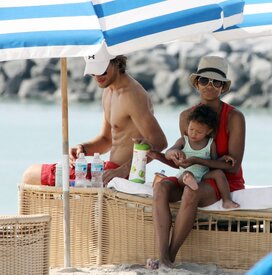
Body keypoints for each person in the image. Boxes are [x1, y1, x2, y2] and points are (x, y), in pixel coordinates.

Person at [147, 55, 245, 269]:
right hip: (192, 175)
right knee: (161, 188)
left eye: (216, 82)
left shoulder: (234, 117)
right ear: (196, 83)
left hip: (222, 181)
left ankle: (167, 259)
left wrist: (194, 160)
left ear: (222, 87)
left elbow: (234, 166)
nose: (209, 86)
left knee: (192, 191)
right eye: (204, 80)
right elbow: (184, 159)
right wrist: (171, 154)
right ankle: (162, 256)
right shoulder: (186, 117)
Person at [22, 47, 167, 186]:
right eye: (93, 72)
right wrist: (83, 148)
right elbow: (106, 140)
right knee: (36, 173)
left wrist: (124, 169)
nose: (98, 77)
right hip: (108, 171)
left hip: (119, 174)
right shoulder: (108, 91)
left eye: (102, 71)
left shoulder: (131, 95)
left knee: (30, 174)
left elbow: (159, 142)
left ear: (117, 62)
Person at [166, 104, 239, 209]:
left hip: (204, 175)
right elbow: (168, 153)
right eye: (191, 129)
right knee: (187, 174)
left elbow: (214, 163)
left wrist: (223, 158)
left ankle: (227, 200)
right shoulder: (183, 141)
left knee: (218, 173)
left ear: (208, 131)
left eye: (199, 132)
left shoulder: (210, 144)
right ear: (188, 125)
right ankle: (191, 184)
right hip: (184, 175)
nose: (193, 134)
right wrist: (174, 152)